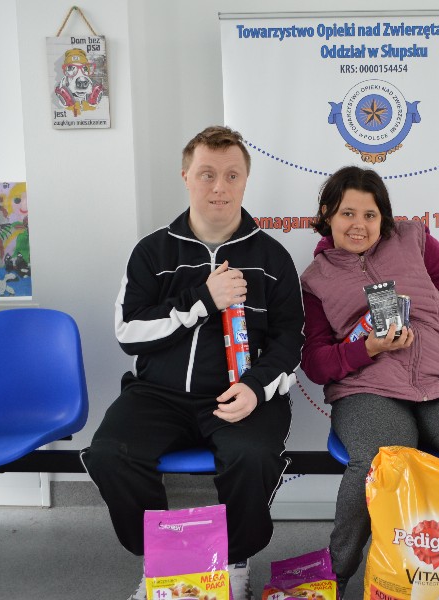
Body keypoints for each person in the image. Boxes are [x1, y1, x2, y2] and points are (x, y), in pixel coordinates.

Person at [82, 126, 305, 600]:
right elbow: (128, 331)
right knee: (110, 453)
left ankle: (235, 561)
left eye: (231, 175)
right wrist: (202, 299)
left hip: (239, 395)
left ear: (245, 180)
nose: (219, 187)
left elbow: (291, 341)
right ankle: (165, 559)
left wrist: (257, 388)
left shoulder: (272, 257)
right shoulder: (152, 252)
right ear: (186, 176)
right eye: (207, 174)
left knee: (251, 456)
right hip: (157, 395)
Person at [300, 166, 439, 600]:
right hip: (367, 388)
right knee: (378, 461)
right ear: (327, 214)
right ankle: (336, 573)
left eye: (370, 215)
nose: (359, 225)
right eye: (348, 213)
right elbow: (314, 363)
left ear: (383, 217)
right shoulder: (316, 278)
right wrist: (366, 349)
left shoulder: (414, 239)